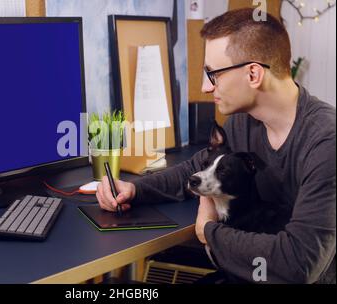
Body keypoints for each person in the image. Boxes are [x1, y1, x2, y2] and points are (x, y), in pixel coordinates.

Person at [96, 8, 336, 283]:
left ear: (253, 74)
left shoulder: (326, 141)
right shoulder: (244, 123)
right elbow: (194, 168)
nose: (206, 86)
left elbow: (298, 264)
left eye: (213, 74)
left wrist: (207, 230)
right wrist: (134, 190)